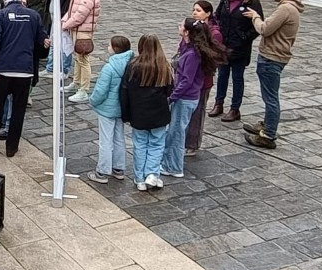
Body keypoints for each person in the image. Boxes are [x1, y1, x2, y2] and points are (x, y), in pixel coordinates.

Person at [0, 0, 48, 157]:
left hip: (4, 69)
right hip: (25, 69)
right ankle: (12, 147)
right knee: (19, 110)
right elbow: (43, 41)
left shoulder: (1, 15)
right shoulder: (34, 15)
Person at [243, 0, 304, 149]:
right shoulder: (290, 8)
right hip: (274, 56)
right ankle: (267, 125)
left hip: (272, 57)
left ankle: (268, 135)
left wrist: (255, 16)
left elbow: (265, 29)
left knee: (270, 98)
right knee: (269, 95)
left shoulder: (285, 9)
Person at [165, 19, 225, 178]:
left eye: (181, 26)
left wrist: (172, 97)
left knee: (177, 133)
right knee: (174, 131)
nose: (178, 26)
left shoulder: (192, 55)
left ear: (187, 32)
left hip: (184, 99)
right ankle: (169, 163)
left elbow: (186, 80)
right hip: (186, 97)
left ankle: (174, 167)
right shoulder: (188, 48)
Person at [122, 34, 173, 191]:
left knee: (140, 145)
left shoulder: (132, 66)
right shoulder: (164, 65)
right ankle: (152, 173)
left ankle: (140, 178)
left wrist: (126, 115)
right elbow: (169, 90)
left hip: (139, 114)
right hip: (159, 114)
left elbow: (124, 91)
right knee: (157, 145)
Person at [210, 0, 263, 125]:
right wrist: (217, 34)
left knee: (237, 78)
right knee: (222, 76)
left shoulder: (253, 3)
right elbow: (217, 17)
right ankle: (218, 103)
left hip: (240, 48)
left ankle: (235, 109)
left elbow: (258, 27)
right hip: (223, 46)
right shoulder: (226, 0)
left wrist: (244, 38)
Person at [85, 35, 133, 184]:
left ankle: (102, 171)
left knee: (105, 140)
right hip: (122, 108)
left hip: (107, 109)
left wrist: (92, 101)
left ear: (115, 49)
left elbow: (100, 91)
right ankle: (119, 168)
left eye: (109, 45)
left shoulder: (109, 68)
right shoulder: (131, 65)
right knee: (119, 138)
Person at [62, 0, 105, 103]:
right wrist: (65, 20)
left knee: (83, 59)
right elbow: (72, 10)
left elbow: (80, 15)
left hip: (83, 31)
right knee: (77, 58)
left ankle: (84, 90)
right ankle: (76, 83)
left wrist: (65, 25)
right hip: (76, 29)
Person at [46, 0, 77, 82]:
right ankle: (51, 67)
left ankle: (64, 69)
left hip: (63, 17)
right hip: (54, 16)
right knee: (53, 41)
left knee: (65, 44)